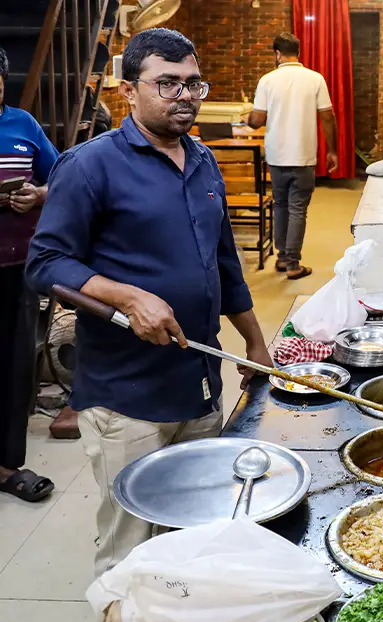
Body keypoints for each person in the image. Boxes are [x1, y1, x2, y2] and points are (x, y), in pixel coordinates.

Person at [26, 28, 272, 577]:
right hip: (126, 396)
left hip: (200, 379)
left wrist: (255, 340)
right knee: (132, 547)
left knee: (191, 531)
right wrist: (127, 296)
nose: (184, 96)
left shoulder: (203, 160)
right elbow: (44, 264)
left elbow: (223, 260)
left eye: (193, 84)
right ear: (128, 90)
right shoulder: (89, 166)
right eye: (167, 83)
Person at [0, 46, 58, 502]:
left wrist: (37, 195)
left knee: (15, 366)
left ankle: (6, 465)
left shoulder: (23, 124)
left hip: (15, 267)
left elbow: (58, 176)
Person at [248, 32, 338, 280]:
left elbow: (256, 121)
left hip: (276, 156)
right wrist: (332, 150)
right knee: (298, 208)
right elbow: (328, 116)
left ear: (277, 54)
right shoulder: (315, 79)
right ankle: (293, 264)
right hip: (304, 156)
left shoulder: (267, 80)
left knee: (281, 205)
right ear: (297, 52)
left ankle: (283, 258)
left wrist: (247, 119)